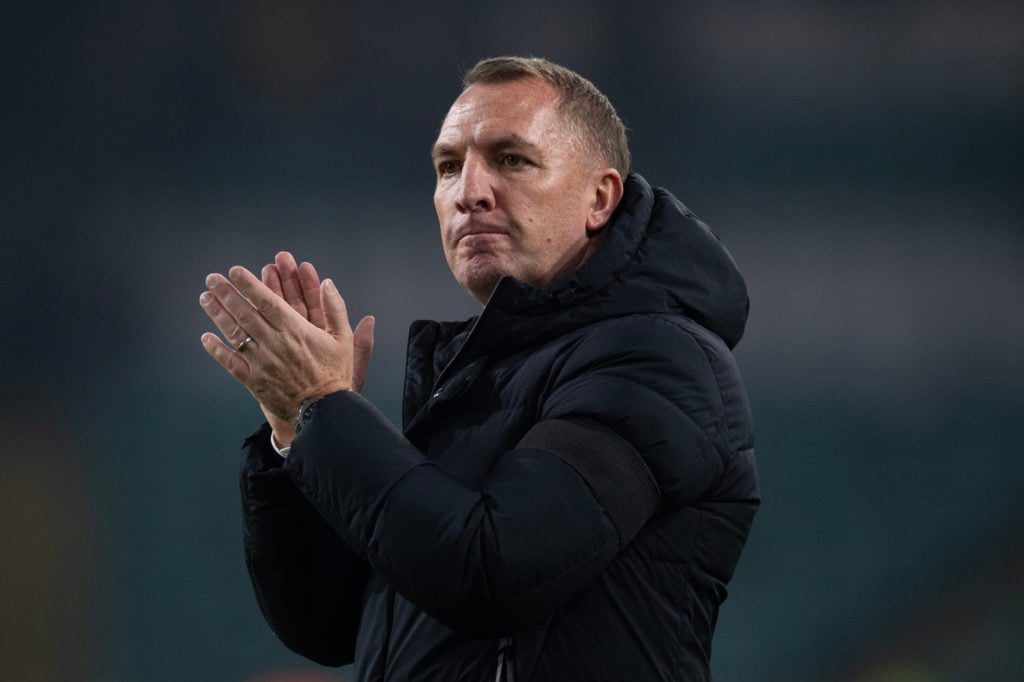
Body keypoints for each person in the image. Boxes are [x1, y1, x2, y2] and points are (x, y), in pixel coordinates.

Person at [199, 56, 759, 681]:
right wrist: (296, 430)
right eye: (447, 167)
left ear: (600, 198)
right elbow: (327, 624)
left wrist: (325, 406)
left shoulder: (658, 362)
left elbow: (492, 571)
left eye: (511, 160)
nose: (469, 191)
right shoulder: (475, 378)